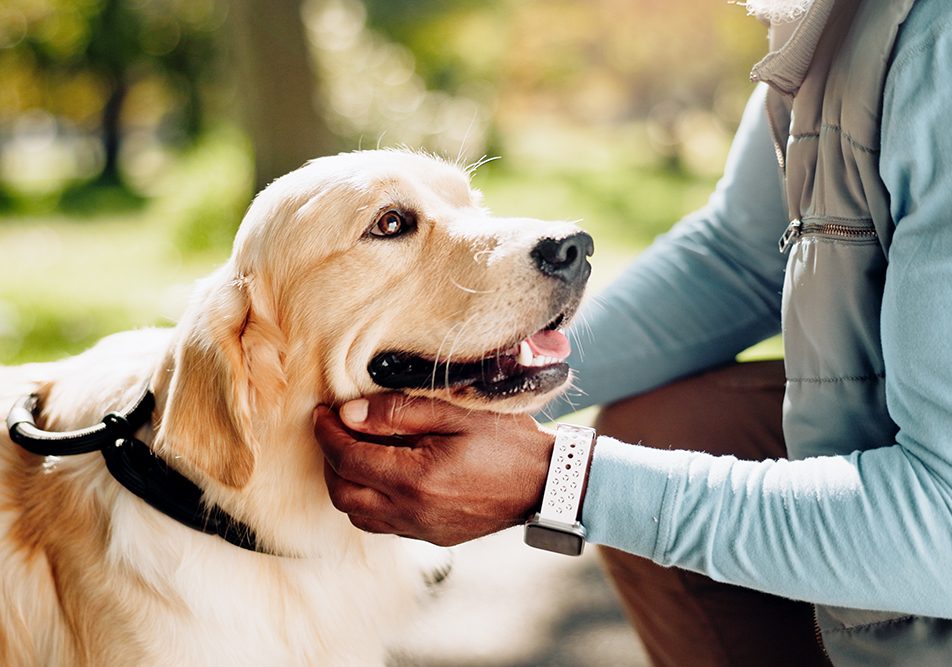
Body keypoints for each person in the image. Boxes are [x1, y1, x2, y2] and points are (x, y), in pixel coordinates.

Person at [312, 0, 952, 664]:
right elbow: (739, 258)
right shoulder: (827, 24)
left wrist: (559, 479)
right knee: (672, 421)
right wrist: (477, 372)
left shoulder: (939, 48)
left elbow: (944, 525)